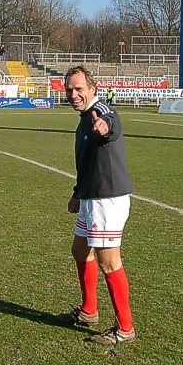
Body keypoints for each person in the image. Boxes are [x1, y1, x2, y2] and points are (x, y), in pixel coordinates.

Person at [58, 66, 135, 345]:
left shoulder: (100, 111)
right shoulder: (83, 118)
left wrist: (104, 126)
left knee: (109, 262)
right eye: (69, 89)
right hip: (90, 197)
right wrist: (78, 193)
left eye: (79, 89)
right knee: (80, 250)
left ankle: (125, 328)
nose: (73, 94)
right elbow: (87, 163)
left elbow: (110, 121)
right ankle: (89, 311)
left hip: (106, 200)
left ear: (92, 89)